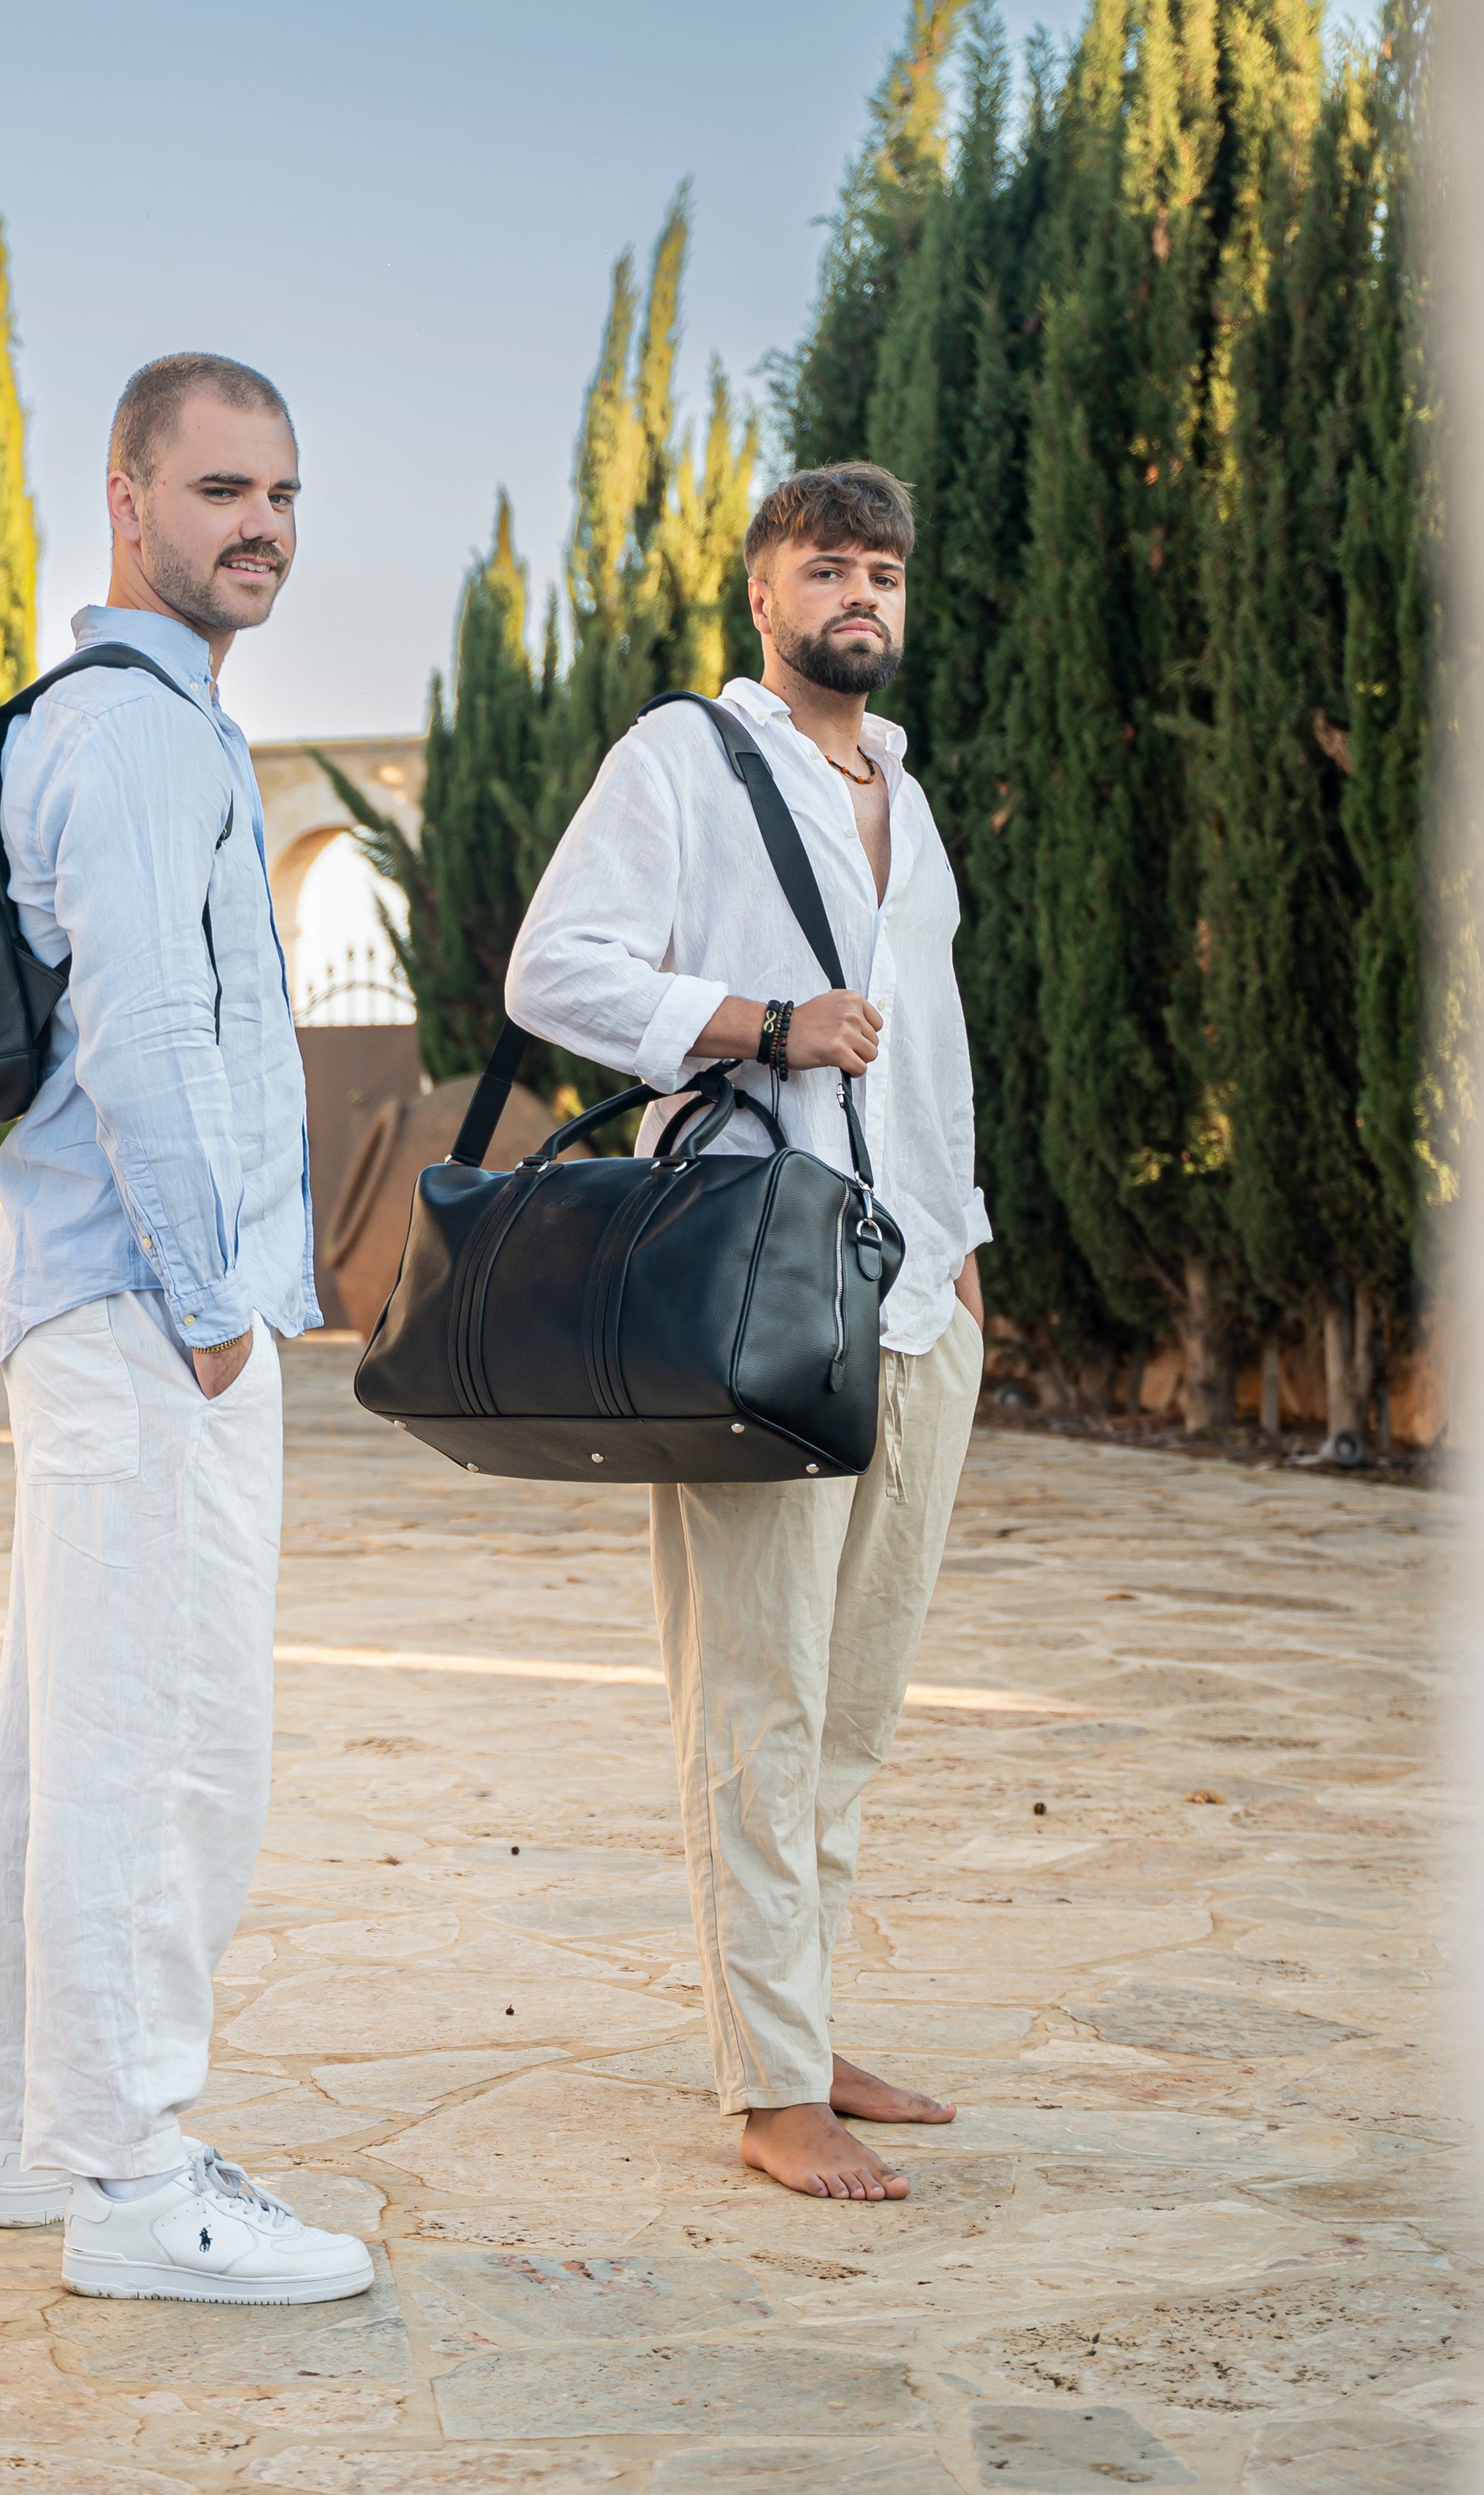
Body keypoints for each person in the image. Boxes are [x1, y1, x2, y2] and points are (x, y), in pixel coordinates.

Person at [504, 461, 993, 2202]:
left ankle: (807, 2017)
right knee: (757, 1696)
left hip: (921, 1296)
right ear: (765, 597)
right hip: (757, 1293)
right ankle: (768, 2080)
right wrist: (764, 1024)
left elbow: (924, 1046)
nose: (858, 594)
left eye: (882, 570)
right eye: (824, 568)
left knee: (852, 1703)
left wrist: (970, 1246)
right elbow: (550, 974)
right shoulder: (683, 762)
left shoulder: (902, 793)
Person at [0, 353, 374, 2302]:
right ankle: (132, 2184)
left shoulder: (153, 725)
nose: (261, 527)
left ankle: (37, 2144)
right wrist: (219, 1311)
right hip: (144, 1307)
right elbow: (142, 1036)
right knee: (160, 1741)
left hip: (114, 1299)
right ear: (127, 500)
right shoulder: (131, 738)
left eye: (281, 493)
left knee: (68, 1734)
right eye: (221, 491)